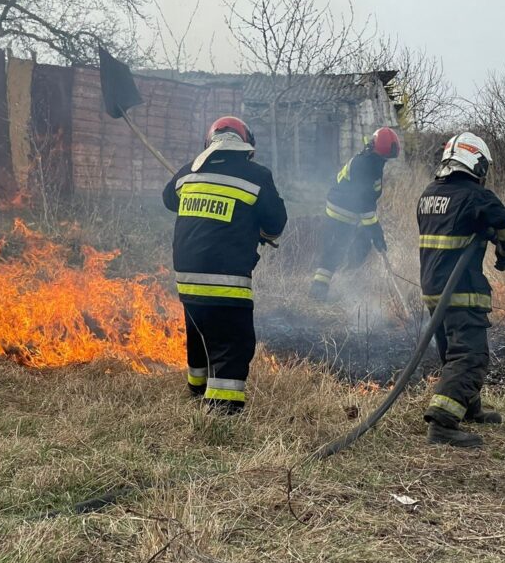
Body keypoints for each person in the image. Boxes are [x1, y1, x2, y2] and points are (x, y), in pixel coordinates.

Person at [417, 132, 505, 448]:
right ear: (478, 163)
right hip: (461, 290)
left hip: (433, 289)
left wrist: (498, 239)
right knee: (471, 356)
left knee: (451, 352)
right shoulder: (475, 196)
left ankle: (469, 407)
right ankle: (442, 424)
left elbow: (470, 227)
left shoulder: (429, 195)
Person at [162, 116, 287, 414]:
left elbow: (169, 200)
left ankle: (197, 391)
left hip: (187, 278)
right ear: (247, 147)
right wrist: (259, 231)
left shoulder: (188, 172)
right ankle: (221, 413)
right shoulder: (257, 175)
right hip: (226, 279)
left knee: (200, 333)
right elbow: (275, 224)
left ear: (209, 143)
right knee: (233, 342)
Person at [310, 127, 401, 300]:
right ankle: (318, 291)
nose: (386, 161)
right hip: (343, 212)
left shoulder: (371, 161)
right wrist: (376, 232)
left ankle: (339, 284)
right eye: (385, 158)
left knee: (349, 247)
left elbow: (366, 202)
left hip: (348, 210)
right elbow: (365, 204)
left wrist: (374, 231)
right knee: (336, 249)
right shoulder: (367, 166)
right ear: (379, 152)